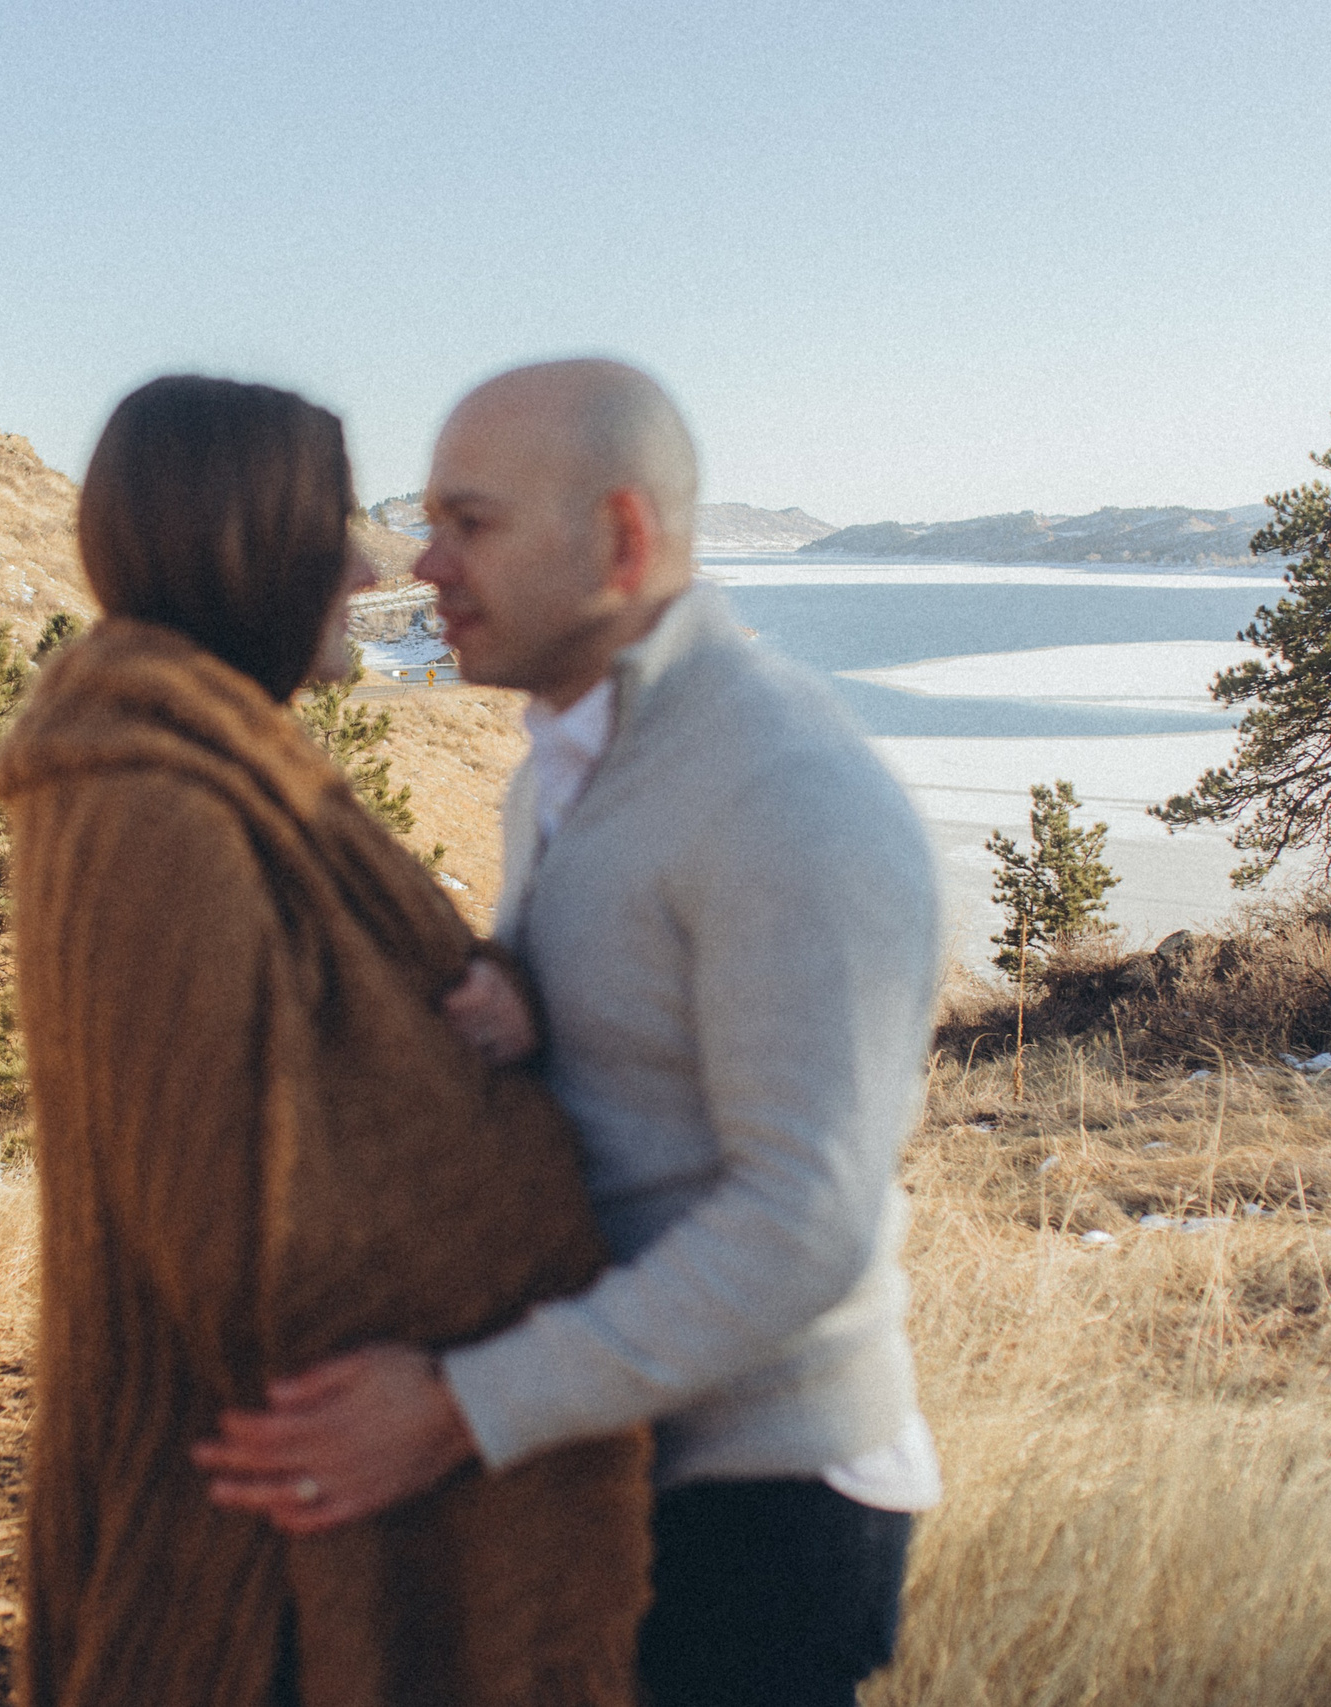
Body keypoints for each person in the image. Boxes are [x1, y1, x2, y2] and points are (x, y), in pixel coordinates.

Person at [193, 360, 946, 1707]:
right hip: (629, 1464)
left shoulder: (781, 788)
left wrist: (458, 1408)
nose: (420, 564)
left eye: (469, 525)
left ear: (622, 541)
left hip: (760, 1514)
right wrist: (526, 1009)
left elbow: (803, 1222)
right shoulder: (572, 762)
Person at [0, 374, 649, 1707]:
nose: (367, 565)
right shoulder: (147, 816)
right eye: (326, 527)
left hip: (290, 1516)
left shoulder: (210, 774)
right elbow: (243, 1227)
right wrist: (539, 1201)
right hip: (249, 1566)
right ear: (245, 548)